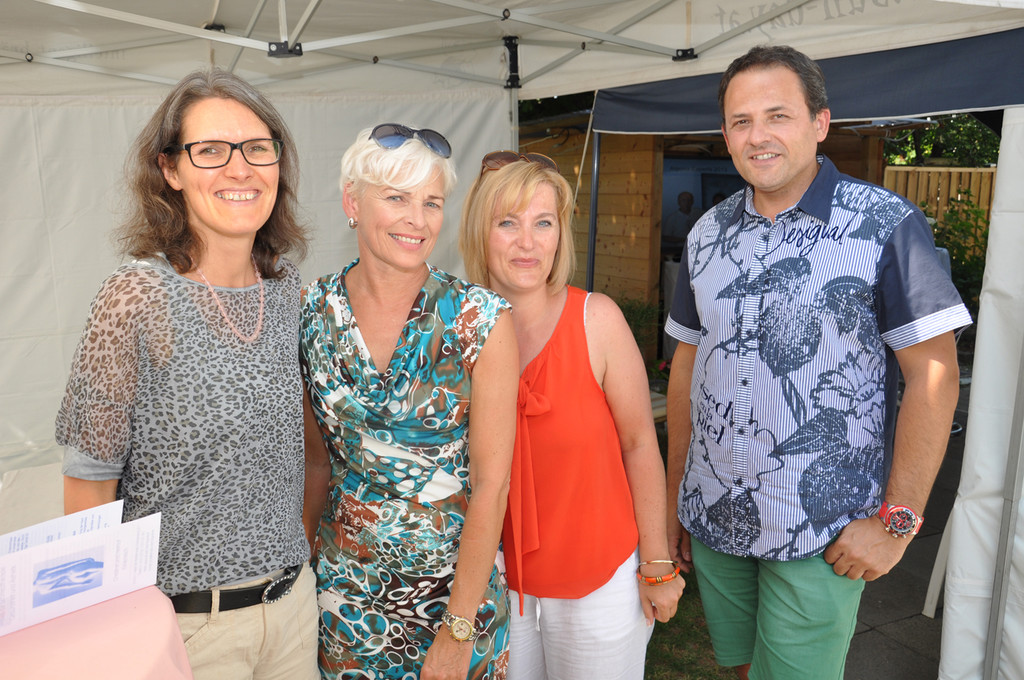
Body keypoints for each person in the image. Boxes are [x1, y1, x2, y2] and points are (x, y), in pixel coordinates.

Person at [663, 45, 972, 680]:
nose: (758, 136)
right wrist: (673, 504)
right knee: (742, 668)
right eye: (741, 121)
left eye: (777, 115)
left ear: (820, 123)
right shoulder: (706, 235)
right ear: (726, 134)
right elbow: (688, 372)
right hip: (716, 513)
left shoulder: (884, 224)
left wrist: (898, 523)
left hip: (823, 530)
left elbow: (934, 378)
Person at [55, 69, 317, 679]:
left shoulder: (287, 291)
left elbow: (301, 451)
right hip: (187, 633)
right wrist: (109, 628)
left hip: (293, 614)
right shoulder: (135, 298)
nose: (240, 169)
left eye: (257, 148)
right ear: (170, 169)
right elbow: (88, 485)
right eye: (211, 151)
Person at [301, 124, 518, 680]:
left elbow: (492, 485)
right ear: (353, 202)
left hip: (454, 605)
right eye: (397, 198)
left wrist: (458, 631)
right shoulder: (311, 312)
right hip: (343, 605)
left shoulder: (478, 319)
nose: (416, 220)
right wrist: (301, 577)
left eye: (431, 202)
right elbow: (316, 464)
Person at [459, 151, 686, 679]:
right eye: (507, 223)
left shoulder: (596, 319)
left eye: (543, 223)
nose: (527, 242)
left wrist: (656, 561)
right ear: (479, 232)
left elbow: (639, 443)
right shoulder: (457, 329)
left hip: (600, 584)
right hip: (497, 581)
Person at [661, 190, 697, 258]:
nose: (686, 203)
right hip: (679, 251)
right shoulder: (672, 218)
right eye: (683, 200)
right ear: (679, 202)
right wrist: (684, 240)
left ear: (692, 201)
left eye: (689, 200)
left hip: (698, 250)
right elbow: (665, 237)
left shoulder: (699, 214)